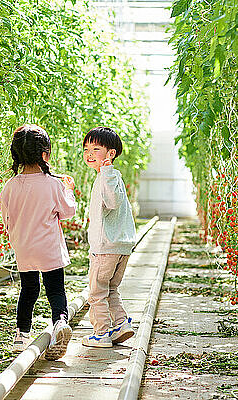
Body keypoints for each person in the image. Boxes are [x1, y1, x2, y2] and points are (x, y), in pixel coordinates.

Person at [0, 124, 76, 360]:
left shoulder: (10, 186)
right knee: (55, 289)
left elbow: (6, 216)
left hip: (23, 247)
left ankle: (21, 334)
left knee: (29, 289)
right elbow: (68, 212)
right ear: (45, 154)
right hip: (48, 248)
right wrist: (69, 190)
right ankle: (60, 322)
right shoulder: (53, 184)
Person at [81, 127, 137, 348]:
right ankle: (122, 323)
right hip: (120, 246)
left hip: (106, 247)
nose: (89, 154)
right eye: (86, 149)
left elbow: (112, 202)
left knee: (96, 292)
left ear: (111, 153)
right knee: (111, 289)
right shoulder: (111, 176)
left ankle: (101, 333)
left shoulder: (108, 175)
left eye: (96, 149)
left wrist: (105, 173)